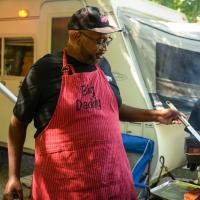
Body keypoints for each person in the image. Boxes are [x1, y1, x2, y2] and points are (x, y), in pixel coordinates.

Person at [3, 6, 181, 200]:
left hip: (113, 181)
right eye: (98, 40)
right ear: (76, 36)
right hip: (64, 188)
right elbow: (17, 123)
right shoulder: (44, 70)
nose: (104, 47)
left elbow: (112, 108)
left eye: (107, 40)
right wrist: (13, 176)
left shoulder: (103, 66)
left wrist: (156, 115)